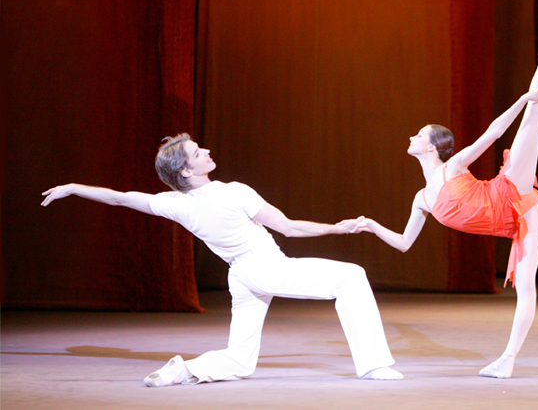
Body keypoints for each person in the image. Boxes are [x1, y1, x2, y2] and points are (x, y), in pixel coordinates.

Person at [41, 134, 403, 385]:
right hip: (264, 267)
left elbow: (120, 198)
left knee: (241, 359)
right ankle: (373, 366)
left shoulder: (173, 204)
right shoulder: (233, 192)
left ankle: (182, 371)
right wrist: (338, 228)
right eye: (198, 153)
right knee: (352, 276)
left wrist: (74, 188)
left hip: (241, 276)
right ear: (186, 171)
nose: (206, 152)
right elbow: (289, 229)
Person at [354, 0, 538, 379]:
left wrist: (521, 98)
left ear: (434, 146)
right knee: (525, 286)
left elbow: (492, 132)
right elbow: (404, 243)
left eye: (419, 134)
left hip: (508, 194)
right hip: (516, 221)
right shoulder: (421, 199)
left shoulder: (453, 165)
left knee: (534, 114)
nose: (412, 137)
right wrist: (371, 225)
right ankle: (508, 359)